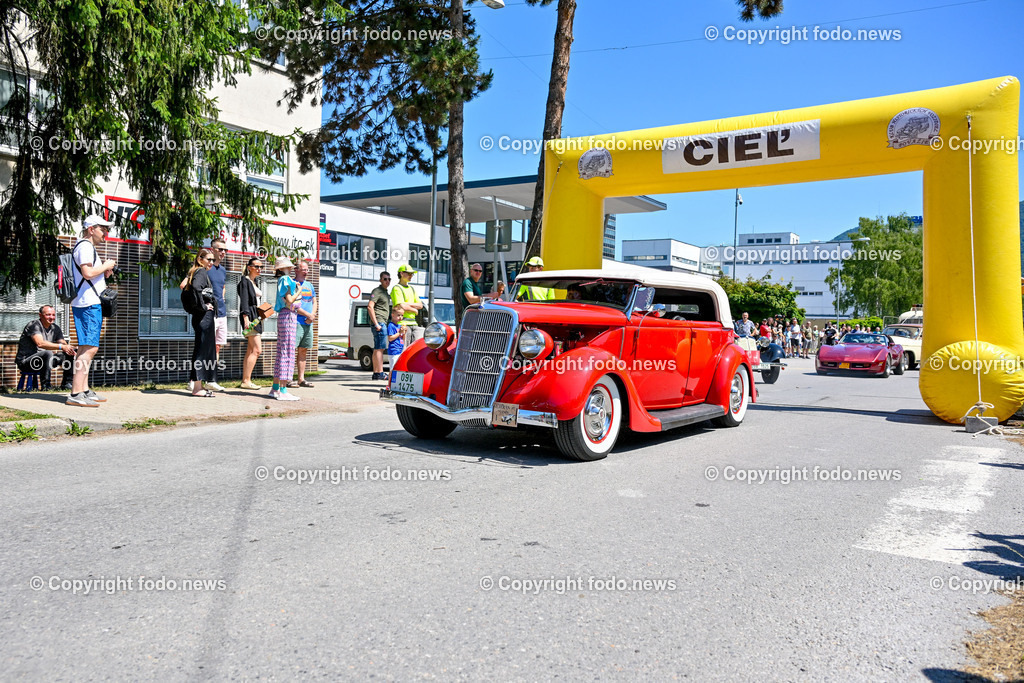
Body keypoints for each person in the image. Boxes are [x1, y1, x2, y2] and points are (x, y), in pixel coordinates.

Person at [68, 213, 116, 407]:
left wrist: (104, 272)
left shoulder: (87, 248)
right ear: (91, 229)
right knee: (89, 348)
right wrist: (105, 265)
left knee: (86, 347)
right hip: (88, 303)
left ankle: (84, 390)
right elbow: (87, 273)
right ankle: (75, 393)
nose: (106, 233)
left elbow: (89, 274)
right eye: (103, 229)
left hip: (88, 302)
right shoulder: (85, 247)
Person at [16, 305, 75, 390]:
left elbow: (62, 343)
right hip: (27, 362)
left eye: (53, 315)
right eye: (48, 315)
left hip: (45, 361)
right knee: (47, 353)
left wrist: (69, 348)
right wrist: (61, 346)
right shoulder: (34, 325)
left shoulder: (55, 328)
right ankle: (46, 385)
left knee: (69, 352)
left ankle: (67, 384)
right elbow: (40, 343)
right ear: (40, 315)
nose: (51, 317)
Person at [186, 249, 219, 397]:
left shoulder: (196, 271)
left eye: (213, 260)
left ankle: (198, 385)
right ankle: (197, 388)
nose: (211, 262)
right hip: (203, 317)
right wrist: (204, 306)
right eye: (209, 259)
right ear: (200, 259)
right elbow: (195, 288)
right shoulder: (201, 272)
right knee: (201, 351)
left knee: (203, 350)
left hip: (202, 317)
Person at [270, 257, 301, 401]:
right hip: (289, 315)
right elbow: (289, 300)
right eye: (288, 266)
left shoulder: (282, 280)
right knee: (288, 352)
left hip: (283, 315)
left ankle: (275, 388)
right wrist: (299, 290)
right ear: (282, 269)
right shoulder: (286, 280)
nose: (290, 268)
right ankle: (283, 390)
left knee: (282, 350)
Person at [204, 238, 228, 391]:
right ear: (212, 250)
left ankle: (211, 379)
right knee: (206, 347)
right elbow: (187, 285)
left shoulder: (223, 270)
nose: (223, 252)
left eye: (225, 250)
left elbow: (222, 287)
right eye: (220, 249)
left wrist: (222, 298)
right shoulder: (205, 268)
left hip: (222, 313)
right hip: (210, 314)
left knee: (217, 347)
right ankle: (197, 379)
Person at [237, 257, 265, 389]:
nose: (259, 269)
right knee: (257, 350)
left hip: (256, 316)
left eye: (261, 266)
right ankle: (246, 381)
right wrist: (245, 318)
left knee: (250, 350)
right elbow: (244, 301)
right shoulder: (245, 281)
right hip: (250, 317)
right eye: (256, 266)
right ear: (249, 267)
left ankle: (245, 380)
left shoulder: (255, 282)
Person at [291, 259, 318, 388]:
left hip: (308, 322)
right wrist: (307, 315)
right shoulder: (292, 284)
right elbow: (292, 304)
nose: (306, 272)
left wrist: (312, 315)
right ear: (296, 270)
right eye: (304, 270)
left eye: (307, 269)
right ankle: (289, 378)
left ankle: (301, 379)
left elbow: (314, 301)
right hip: (296, 321)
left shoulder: (309, 285)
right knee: (292, 350)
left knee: (303, 351)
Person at [391, 264, 423, 346]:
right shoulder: (396, 288)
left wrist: (407, 304)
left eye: (412, 274)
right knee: (403, 351)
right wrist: (414, 310)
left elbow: (420, 305)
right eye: (409, 273)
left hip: (414, 324)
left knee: (415, 350)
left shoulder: (412, 289)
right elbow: (402, 306)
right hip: (402, 323)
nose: (411, 276)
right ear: (401, 273)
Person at [368, 271, 391, 381]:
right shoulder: (377, 291)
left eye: (389, 279)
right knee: (380, 349)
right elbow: (370, 306)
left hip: (382, 322)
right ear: (380, 280)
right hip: (380, 322)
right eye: (385, 279)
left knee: (377, 348)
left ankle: (376, 373)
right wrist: (376, 323)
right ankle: (380, 373)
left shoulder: (385, 292)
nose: (387, 281)